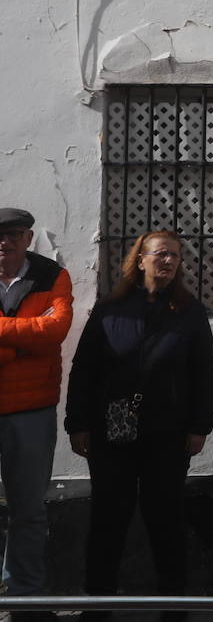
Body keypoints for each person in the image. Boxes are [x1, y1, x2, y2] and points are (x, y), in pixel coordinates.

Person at [65, 230, 213, 622]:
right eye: (161, 254)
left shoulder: (190, 311)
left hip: (168, 432)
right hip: (112, 429)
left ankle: (174, 609)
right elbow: (84, 369)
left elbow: (204, 371)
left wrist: (199, 426)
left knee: (166, 519)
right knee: (108, 519)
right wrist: (78, 423)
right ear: (141, 259)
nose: (169, 261)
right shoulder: (110, 309)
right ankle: (97, 608)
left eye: (175, 256)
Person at [0, 208, 73, 621]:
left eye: (13, 234)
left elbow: (55, 330)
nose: (4, 242)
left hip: (31, 411)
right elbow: (40, 334)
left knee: (28, 511)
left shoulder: (51, 276)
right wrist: (20, 346)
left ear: (28, 238)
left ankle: (24, 601)